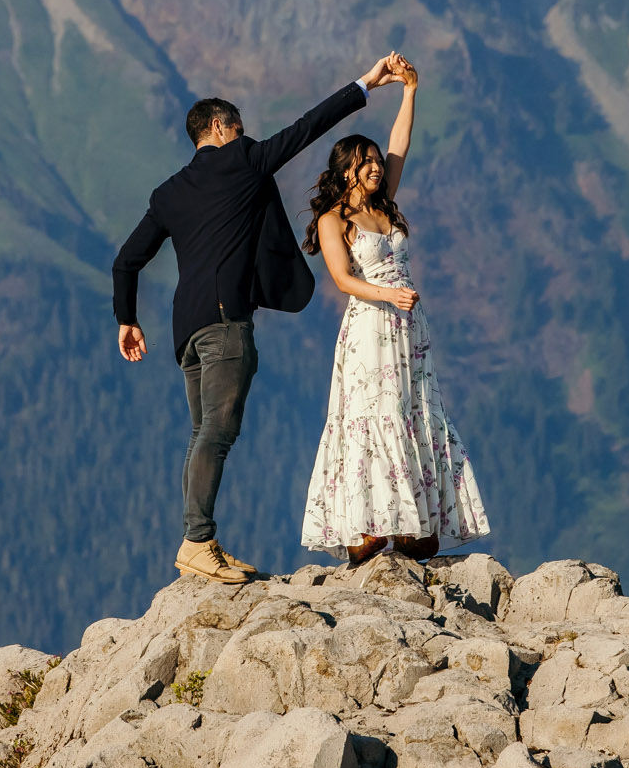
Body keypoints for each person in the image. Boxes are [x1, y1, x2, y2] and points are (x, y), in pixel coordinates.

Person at [114, 54, 412, 584]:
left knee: (202, 433)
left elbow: (126, 260)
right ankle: (197, 541)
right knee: (217, 434)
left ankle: (202, 541)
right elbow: (308, 127)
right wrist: (367, 82)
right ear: (221, 127)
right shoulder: (243, 160)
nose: (244, 135)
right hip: (227, 324)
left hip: (186, 330)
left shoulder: (169, 193)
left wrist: (127, 318)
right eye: (239, 128)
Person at [299, 57, 490, 567]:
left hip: (406, 329)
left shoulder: (384, 204)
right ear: (347, 171)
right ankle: (366, 526)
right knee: (371, 415)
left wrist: (409, 90)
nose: (376, 166)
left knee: (409, 411)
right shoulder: (334, 218)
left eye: (375, 161)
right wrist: (390, 297)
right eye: (365, 162)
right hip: (369, 325)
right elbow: (342, 280)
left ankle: (410, 523)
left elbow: (401, 143)